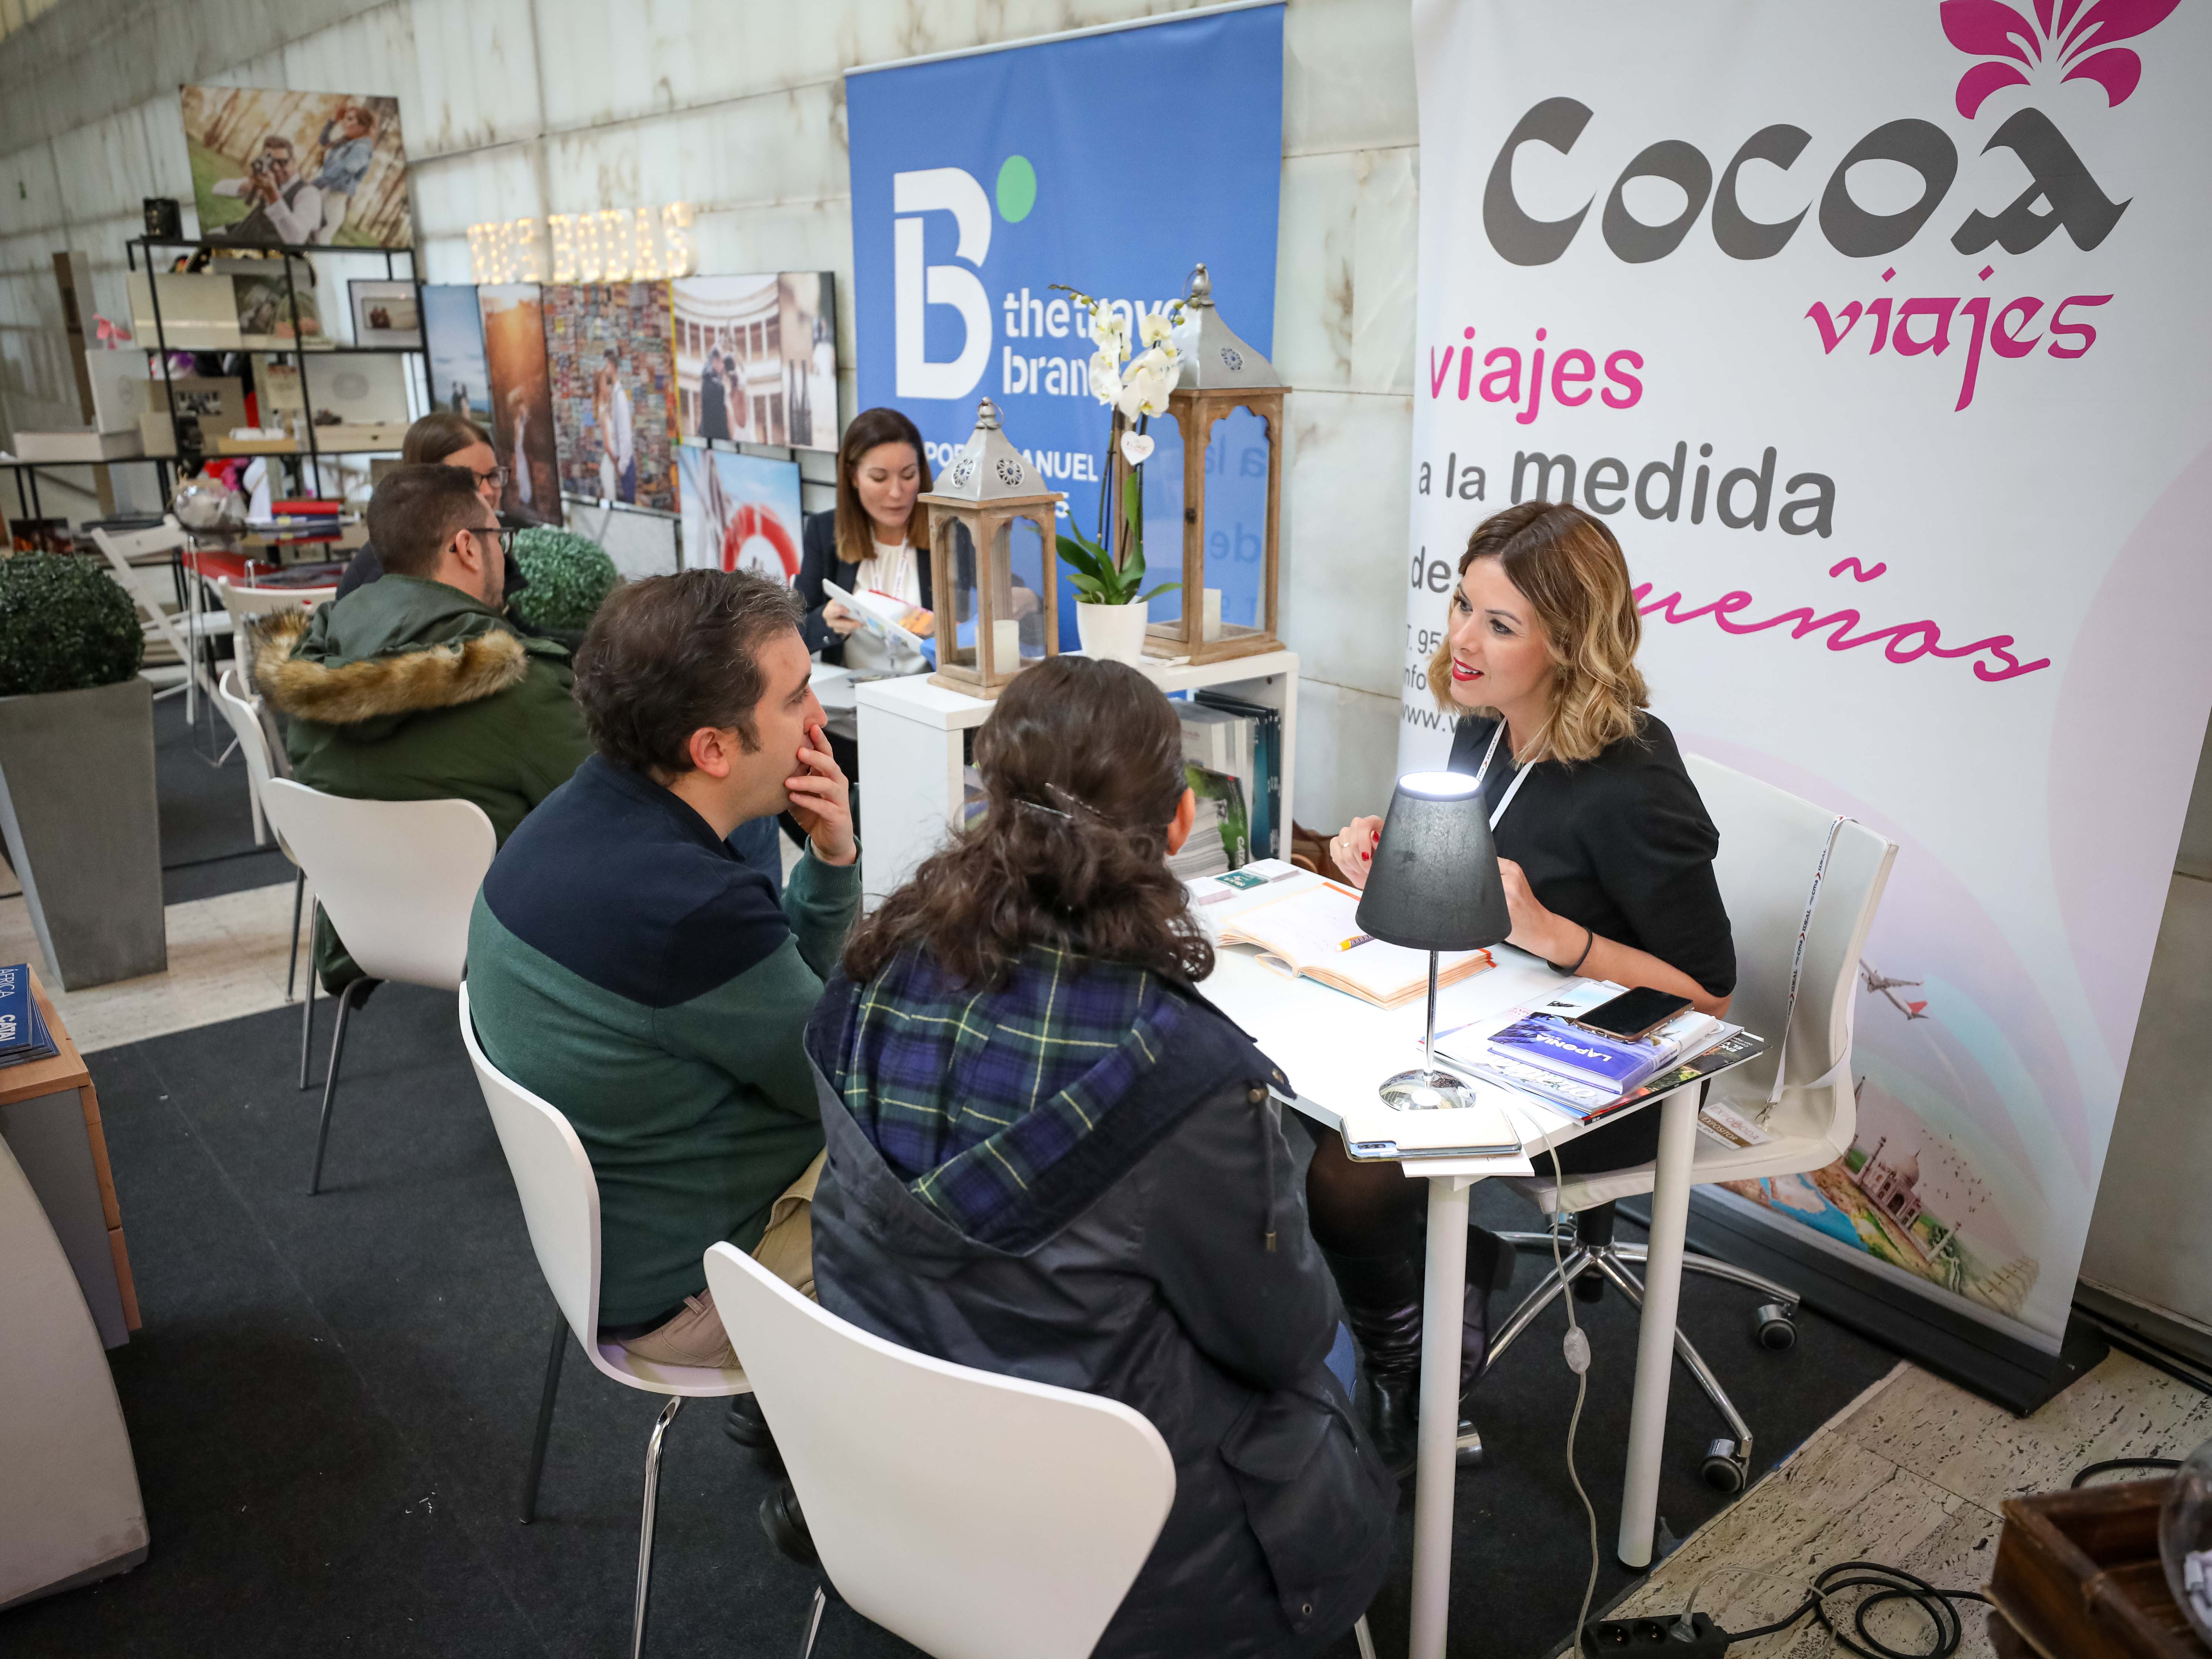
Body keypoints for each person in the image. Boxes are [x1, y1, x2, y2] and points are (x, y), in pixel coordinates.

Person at [806, 655, 1394, 1657]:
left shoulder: (868, 972)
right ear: (1176, 829)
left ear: (986, 800)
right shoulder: (1185, 1078)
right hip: (1131, 1548)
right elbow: (1279, 1339)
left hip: (890, 1461)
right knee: (1338, 1343)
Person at [1318, 500, 1735, 1469]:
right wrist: (1381, 856)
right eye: (1462, 606)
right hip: (1507, 1014)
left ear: (1568, 643)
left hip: (1624, 1072)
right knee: (1306, 1100)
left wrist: (1558, 937)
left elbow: (1710, 994)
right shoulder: (1492, 731)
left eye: (1497, 625)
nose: (1461, 639)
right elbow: (1483, 881)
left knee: (1355, 1164)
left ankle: (1412, 1355)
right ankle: (1437, 1279)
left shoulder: (1634, 782)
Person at [466, 570, 860, 1364]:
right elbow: (838, 1083)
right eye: (796, 699)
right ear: (712, 749)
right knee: (977, 1197)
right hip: (696, 1287)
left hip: (608, 1249)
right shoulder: (690, 909)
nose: (817, 721)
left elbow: (789, 1012)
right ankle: (830, 1462)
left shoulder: (570, 815)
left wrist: (827, 856)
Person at [256, 465, 593, 991]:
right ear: (466, 547)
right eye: (498, 538)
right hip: (513, 942)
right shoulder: (518, 682)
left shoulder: (312, 661)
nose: (505, 554)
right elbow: (608, 811)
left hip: (360, 927)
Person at [333, 412, 520, 600]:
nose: (488, 491)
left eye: (494, 475)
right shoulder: (393, 575)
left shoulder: (477, 540)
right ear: (424, 485)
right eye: (469, 480)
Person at [210, 135, 326, 246]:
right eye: (271, 163)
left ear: (294, 162)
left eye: (282, 162)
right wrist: (248, 187)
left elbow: (297, 240)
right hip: (240, 234)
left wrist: (273, 195)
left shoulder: (309, 194)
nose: (276, 168)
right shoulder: (270, 181)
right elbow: (217, 188)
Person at [309, 104, 378, 244]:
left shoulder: (362, 148)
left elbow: (347, 168)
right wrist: (334, 121)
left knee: (321, 240)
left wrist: (319, 182)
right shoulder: (345, 142)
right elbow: (324, 141)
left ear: (363, 126)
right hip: (325, 192)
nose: (344, 123)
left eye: (350, 119)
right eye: (345, 119)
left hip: (334, 198)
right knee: (308, 234)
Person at [602, 347, 636, 504]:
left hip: (626, 466)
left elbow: (626, 435)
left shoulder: (620, 397)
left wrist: (622, 467)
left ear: (612, 366)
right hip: (623, 464)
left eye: (606, 366)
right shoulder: (616, 395)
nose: (605, 370)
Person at [697, 349, 729, 443]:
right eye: (722, 363)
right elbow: (720, 417)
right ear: (716, 361)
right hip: (716, 437)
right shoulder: (717, 386)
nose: (723, 367)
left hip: (706, 434)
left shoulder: (706, 379)